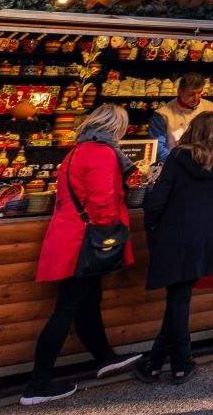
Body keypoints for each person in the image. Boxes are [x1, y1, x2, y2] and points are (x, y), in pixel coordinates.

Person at [25, 104, 145, 404]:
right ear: (115, 127)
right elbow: (102, 201)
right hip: (84, 241)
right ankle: (38, 383)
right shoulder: (103, 154)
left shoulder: (77, 151)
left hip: (70, 236)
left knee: (88, 301)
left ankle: (104, 356)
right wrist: (112, 231)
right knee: (67, 307)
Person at [135, 112, 213, 383]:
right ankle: (159, 362)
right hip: (207, 234)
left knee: (178, 296)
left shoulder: (177, 157)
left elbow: (158, 198)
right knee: (180, 295)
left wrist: (151, 225)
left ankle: (178, 364)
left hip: (175, 232)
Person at [148, 74, 213, 161]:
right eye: (191, 94)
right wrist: (179, 164)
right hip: (175, 163)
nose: (196, 98)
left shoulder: (210, 107)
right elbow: (158, 149)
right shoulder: (162, 114)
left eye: (199, 92)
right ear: (179, 91)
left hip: (204, 162)